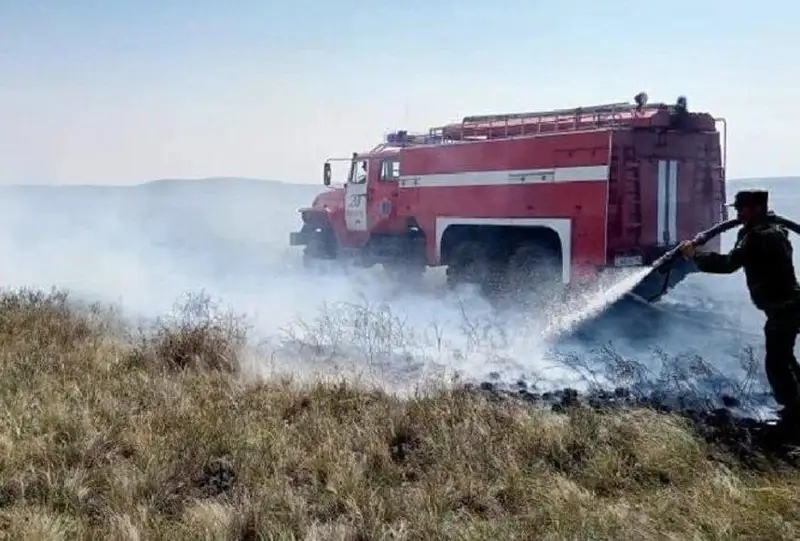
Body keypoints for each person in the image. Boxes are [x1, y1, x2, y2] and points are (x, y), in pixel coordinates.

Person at [679, 189, 800, 421]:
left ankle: (793, 412)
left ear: (757, 209)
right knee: (785, 358)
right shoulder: (766, 231)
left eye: (742, 209)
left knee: (777, 363)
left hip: (785, 309)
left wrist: (695, 255)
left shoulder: (762, 238)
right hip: (785, 307)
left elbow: (728, 264)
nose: (738, 214)